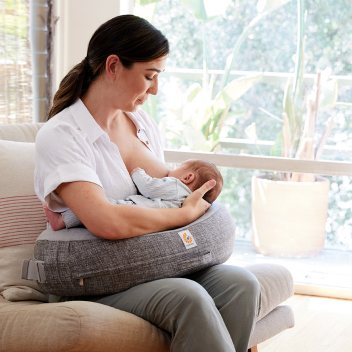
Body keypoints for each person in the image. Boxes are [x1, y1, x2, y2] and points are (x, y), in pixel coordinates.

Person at [34, 14, 260, 352]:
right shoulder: (62, 134)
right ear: (113, 66)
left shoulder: (142, 124)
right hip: (91, 278)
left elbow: (164, 193)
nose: (155, 89)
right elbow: (104, 221)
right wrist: (183, 217)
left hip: (148, 266)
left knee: (243, 284)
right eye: (149, 76)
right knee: (189, 297)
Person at [43, 159, 224, 231]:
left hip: (135, 209)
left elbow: (150, 188)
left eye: (178, 167)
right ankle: (63, 221)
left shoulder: (177, 187)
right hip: (144, 213)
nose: (171, 170)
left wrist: (138, 173)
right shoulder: (186, 202)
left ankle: (61, 220)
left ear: (188, 177)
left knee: (94, 208)